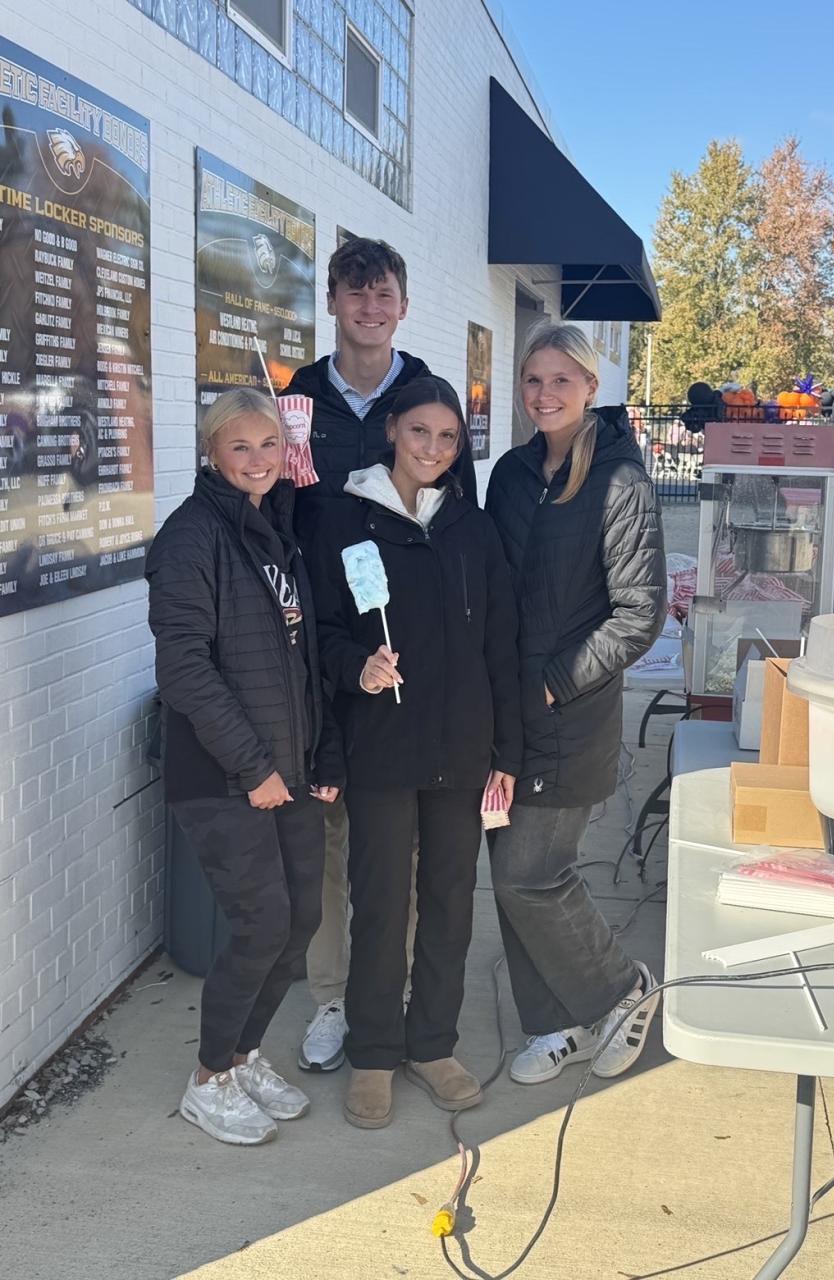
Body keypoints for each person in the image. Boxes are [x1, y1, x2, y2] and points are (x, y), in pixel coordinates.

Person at [303, 375, 521, 1128]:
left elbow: (501, 644)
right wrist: (356, 668)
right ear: (392, 429)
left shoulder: (472, 529)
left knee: (450, 905)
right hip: (382, 747)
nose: (432, 447)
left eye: (448, 437)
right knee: (380, 904)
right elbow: (324, 631)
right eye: (420, 430)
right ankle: (372, 1053)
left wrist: (506, 749)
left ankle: (432, 1045)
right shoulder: (345, 519)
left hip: (461, 748)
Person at [287, 237, 475, 1076]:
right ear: (332, 300)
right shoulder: (298, 400)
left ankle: (388, 992)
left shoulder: (423, 395)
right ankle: (335, 995)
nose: (370, 307)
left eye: (383, 293)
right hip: (320, 640)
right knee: (330, 829)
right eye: (355, 292)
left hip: (405, 652)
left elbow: (458, 528)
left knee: (402, 843)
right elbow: (277, 510)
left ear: (402, 304)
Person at [145, 389, 343, 1146]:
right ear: (211, 453)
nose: (258, 460)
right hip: (226, 775)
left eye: (269, 445)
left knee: (300, 922)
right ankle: (208, 1080)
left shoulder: (276, 528)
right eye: (239, 446)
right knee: (261, 925)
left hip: (288, 770)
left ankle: (243, 1055)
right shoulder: (191, 537)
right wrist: (256, 766)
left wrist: (318, 756)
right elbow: (185, 670)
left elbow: (301, 659)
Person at [485, 322, 668, 1086]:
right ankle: (554, 1024)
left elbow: (640, 612)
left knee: (532, 874)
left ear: (592, 386)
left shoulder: (619, 481)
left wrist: (555, 680)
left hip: (568, 714)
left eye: (562, 379)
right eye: (533, 379)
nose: (544, 394)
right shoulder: (509, 474)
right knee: (508, 874)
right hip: (501, 711)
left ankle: (621, 988)